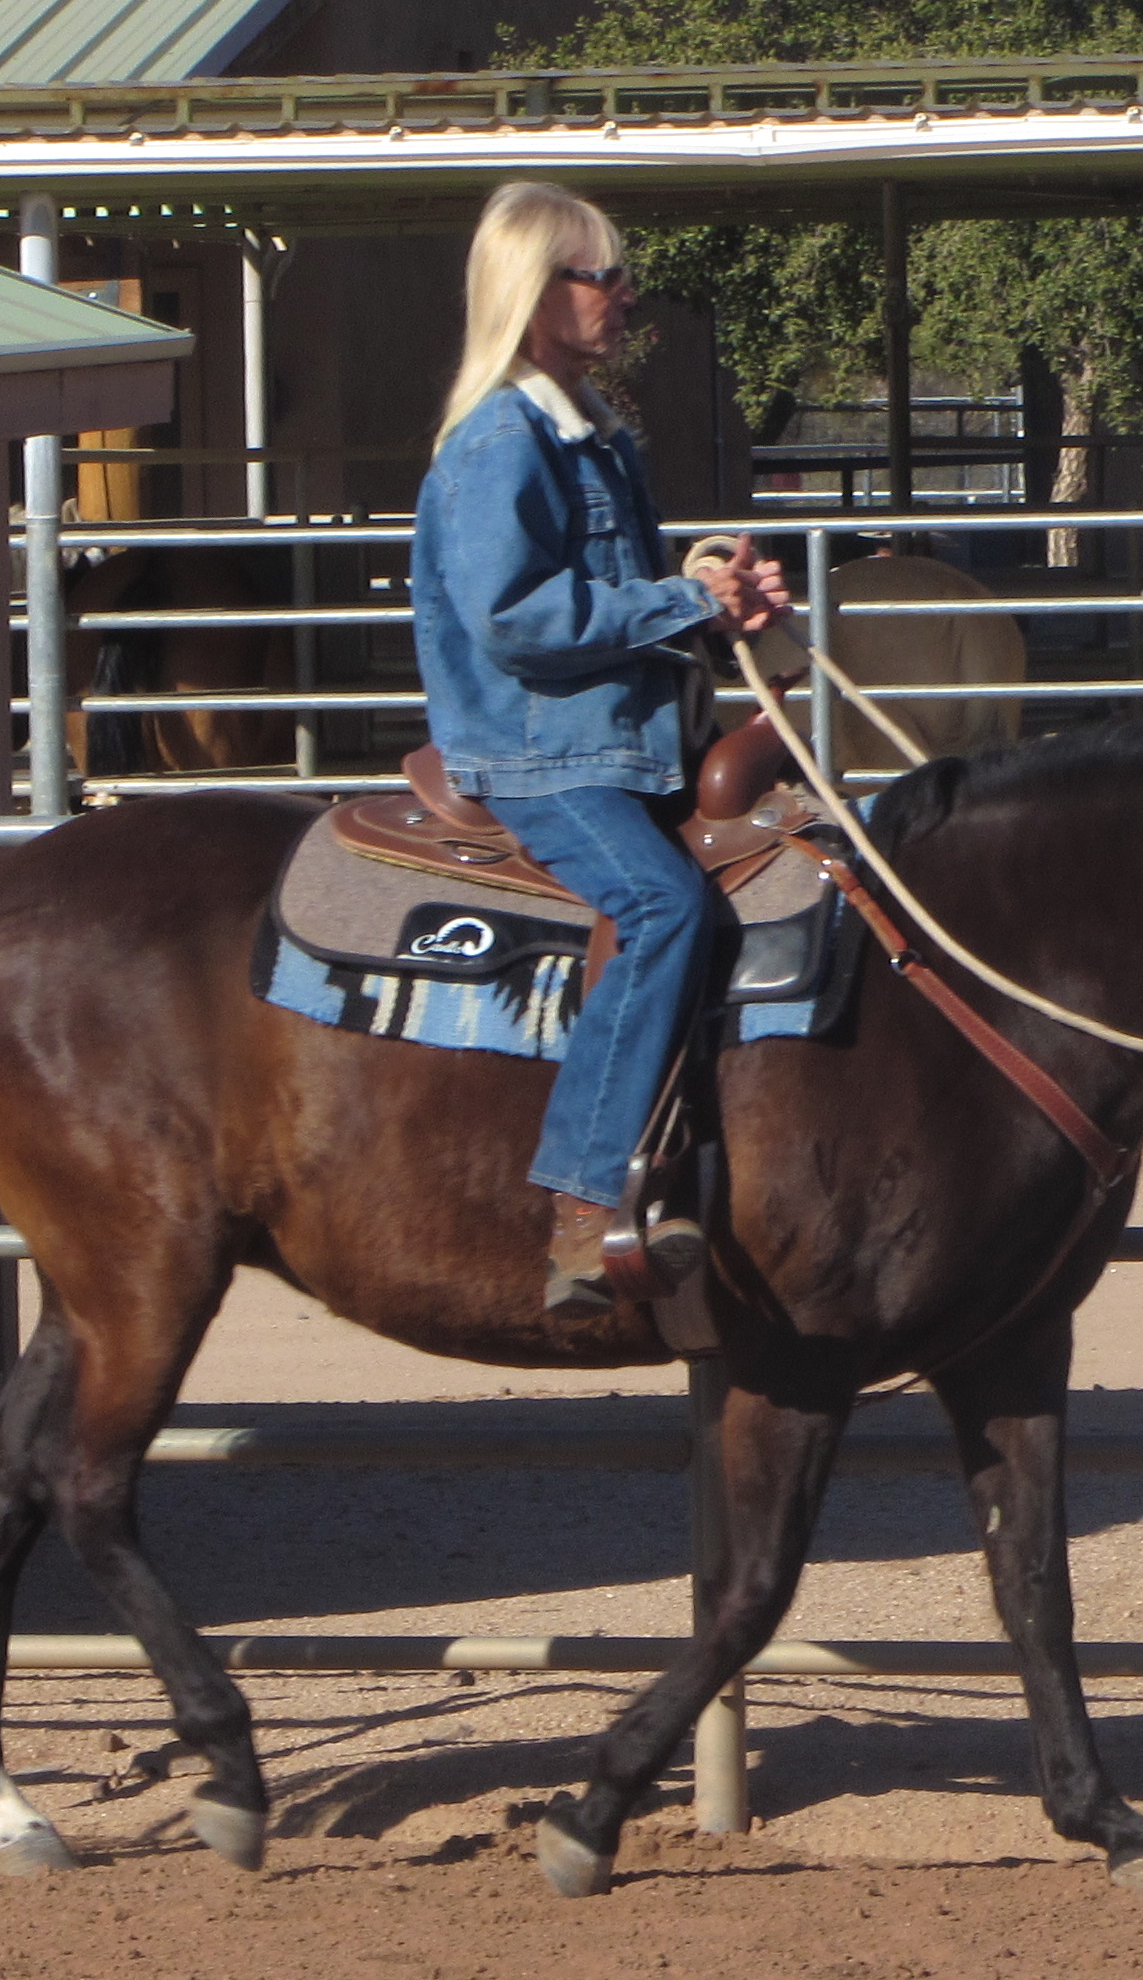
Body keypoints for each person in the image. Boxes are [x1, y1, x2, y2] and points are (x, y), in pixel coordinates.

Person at [409, 181, 789, 1316]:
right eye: (601, 276)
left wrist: (714, 603)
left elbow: (618, 599)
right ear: (535, 295)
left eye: (622, 276)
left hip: (618, 744)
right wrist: (680, 599)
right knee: (661, 904)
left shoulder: (591, 437)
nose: (624, 296)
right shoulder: (501, 442)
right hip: (545, 756)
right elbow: (513, 617)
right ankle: (582, 1204)